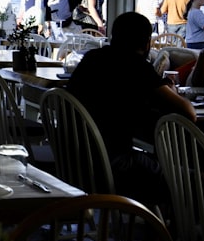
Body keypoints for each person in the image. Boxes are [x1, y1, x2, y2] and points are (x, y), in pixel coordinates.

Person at [67, 12, 195, 209]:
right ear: (146, 43)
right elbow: (189, 113)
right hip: (114, 167)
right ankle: (169, 236)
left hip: (76, 160)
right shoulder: (138, 67)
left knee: (166, 169)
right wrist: (170, 91)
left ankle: (156, 234)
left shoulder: (92, 58)